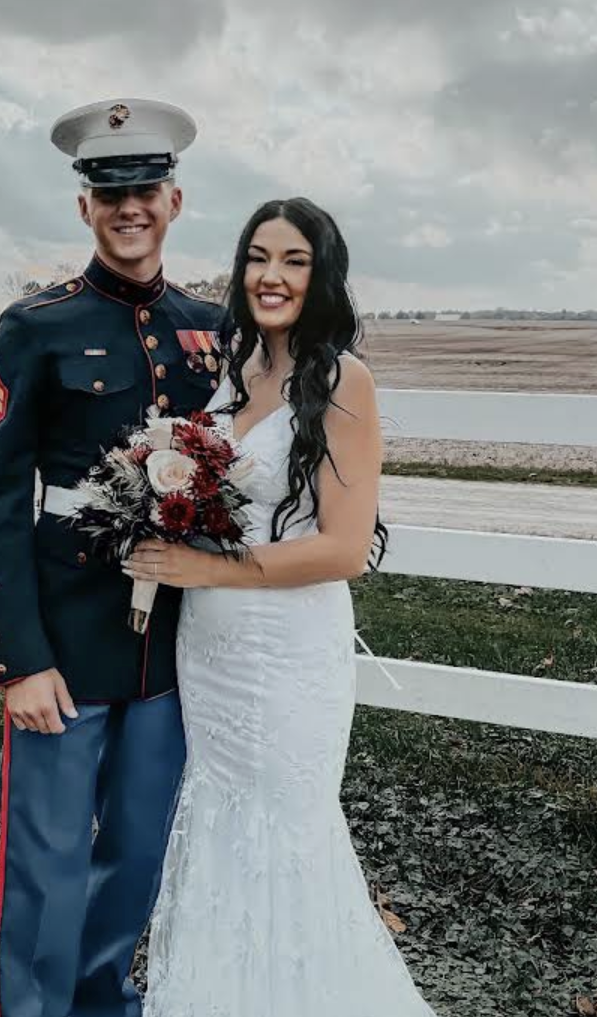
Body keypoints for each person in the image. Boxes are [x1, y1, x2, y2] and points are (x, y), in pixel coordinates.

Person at [125, 197, 439, 1015]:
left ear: (320, 276)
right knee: (219, 821)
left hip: (290, 649)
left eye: (294, 261)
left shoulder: (342, 382)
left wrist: (204, 567)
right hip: (213, 651)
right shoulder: (236, 375)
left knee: (283, 832)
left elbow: (343, 549)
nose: (271, 276)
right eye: (258, 258)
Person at [0, 98, 224, 1017]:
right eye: (111, 195)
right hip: (65, 644)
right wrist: (18, 660)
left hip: (170, 653)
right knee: (48, 865)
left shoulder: (211, 329)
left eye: (146, 191)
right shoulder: (34, 327)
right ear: (86, 207)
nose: (130, 209)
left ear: (174, 201)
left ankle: (103, 1003)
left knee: (136, 857)